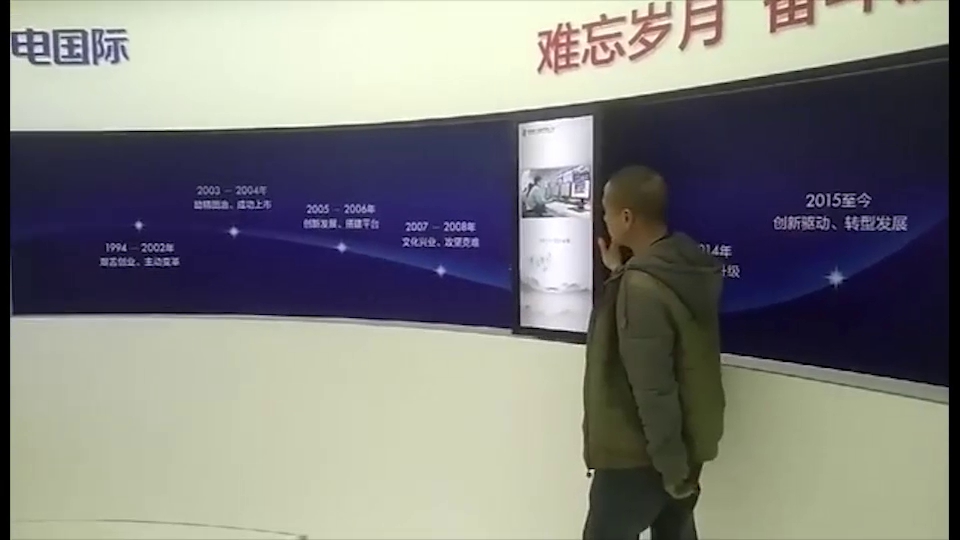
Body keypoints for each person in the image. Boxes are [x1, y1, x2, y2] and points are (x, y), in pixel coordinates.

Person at [583, 165, 725, 540]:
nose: (604, 220)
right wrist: (620, 272)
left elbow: (654, 390)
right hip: (680, 450)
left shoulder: (641, 288)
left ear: (626, 217)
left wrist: (674, 474)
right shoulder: (679, 269)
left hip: (641, 459)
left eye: (606, 212)